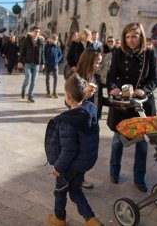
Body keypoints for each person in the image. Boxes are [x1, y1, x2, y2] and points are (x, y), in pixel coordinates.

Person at [107, 22, 157, 193]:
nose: (131, 40)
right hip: (122, 103)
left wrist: (143, 90)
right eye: (128, 36)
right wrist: (113, 87)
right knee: (117, 140)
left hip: (141, 105)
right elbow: (112, 75)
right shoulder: (118, 52)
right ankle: (114, 172)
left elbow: (155, 79)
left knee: (142, 144)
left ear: (141, 37)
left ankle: (139, 178)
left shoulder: (150, 54)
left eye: (134, 36)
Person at [45, 73, 103, 226]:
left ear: (68, 96)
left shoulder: (67, 121)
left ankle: (59, 219)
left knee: (60, 191)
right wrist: (86, 94)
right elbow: (84, 103)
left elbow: (69, 150)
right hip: (84, 162)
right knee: (75, 190)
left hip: (69, 166)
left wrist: (58, 167)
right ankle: (91, 220)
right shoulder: (90, 109)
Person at [76, 48, 104, 189]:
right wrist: (84, 96)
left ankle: (79, 176)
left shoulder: (96, 77)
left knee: (87, 149)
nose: (99, 65)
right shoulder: (77, 79)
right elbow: (69, 102)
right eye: (97, 63)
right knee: (80, 150)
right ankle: (76, 177)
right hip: (81, 119)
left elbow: (100, 98)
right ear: (89, 62)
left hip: (94, 118)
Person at [17, 26, 44, 103]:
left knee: (34, 80)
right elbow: (22, 51)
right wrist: (20, 61)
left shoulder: (41, 41)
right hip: (28, 63)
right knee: (28, 78)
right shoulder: (27, 40)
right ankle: (23, 89)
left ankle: (30, 95)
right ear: (32, 31)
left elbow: (42, 53)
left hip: (36, 64)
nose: (37, 33)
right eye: (36, 31)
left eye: (38, 32)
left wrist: (42, 63)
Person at [44, 33, 63, 98]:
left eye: (55, 40)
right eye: (53, 39)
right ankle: (48, 92)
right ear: (50, 39)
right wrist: (45, 61)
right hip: (48, 65)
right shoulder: (47, 46)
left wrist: (57, 60)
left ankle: (54, 91)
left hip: (55, 65)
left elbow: (60, 55)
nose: (54, 41)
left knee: (56, 78)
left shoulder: (57, 47)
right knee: (47, 78)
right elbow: (44, 54)